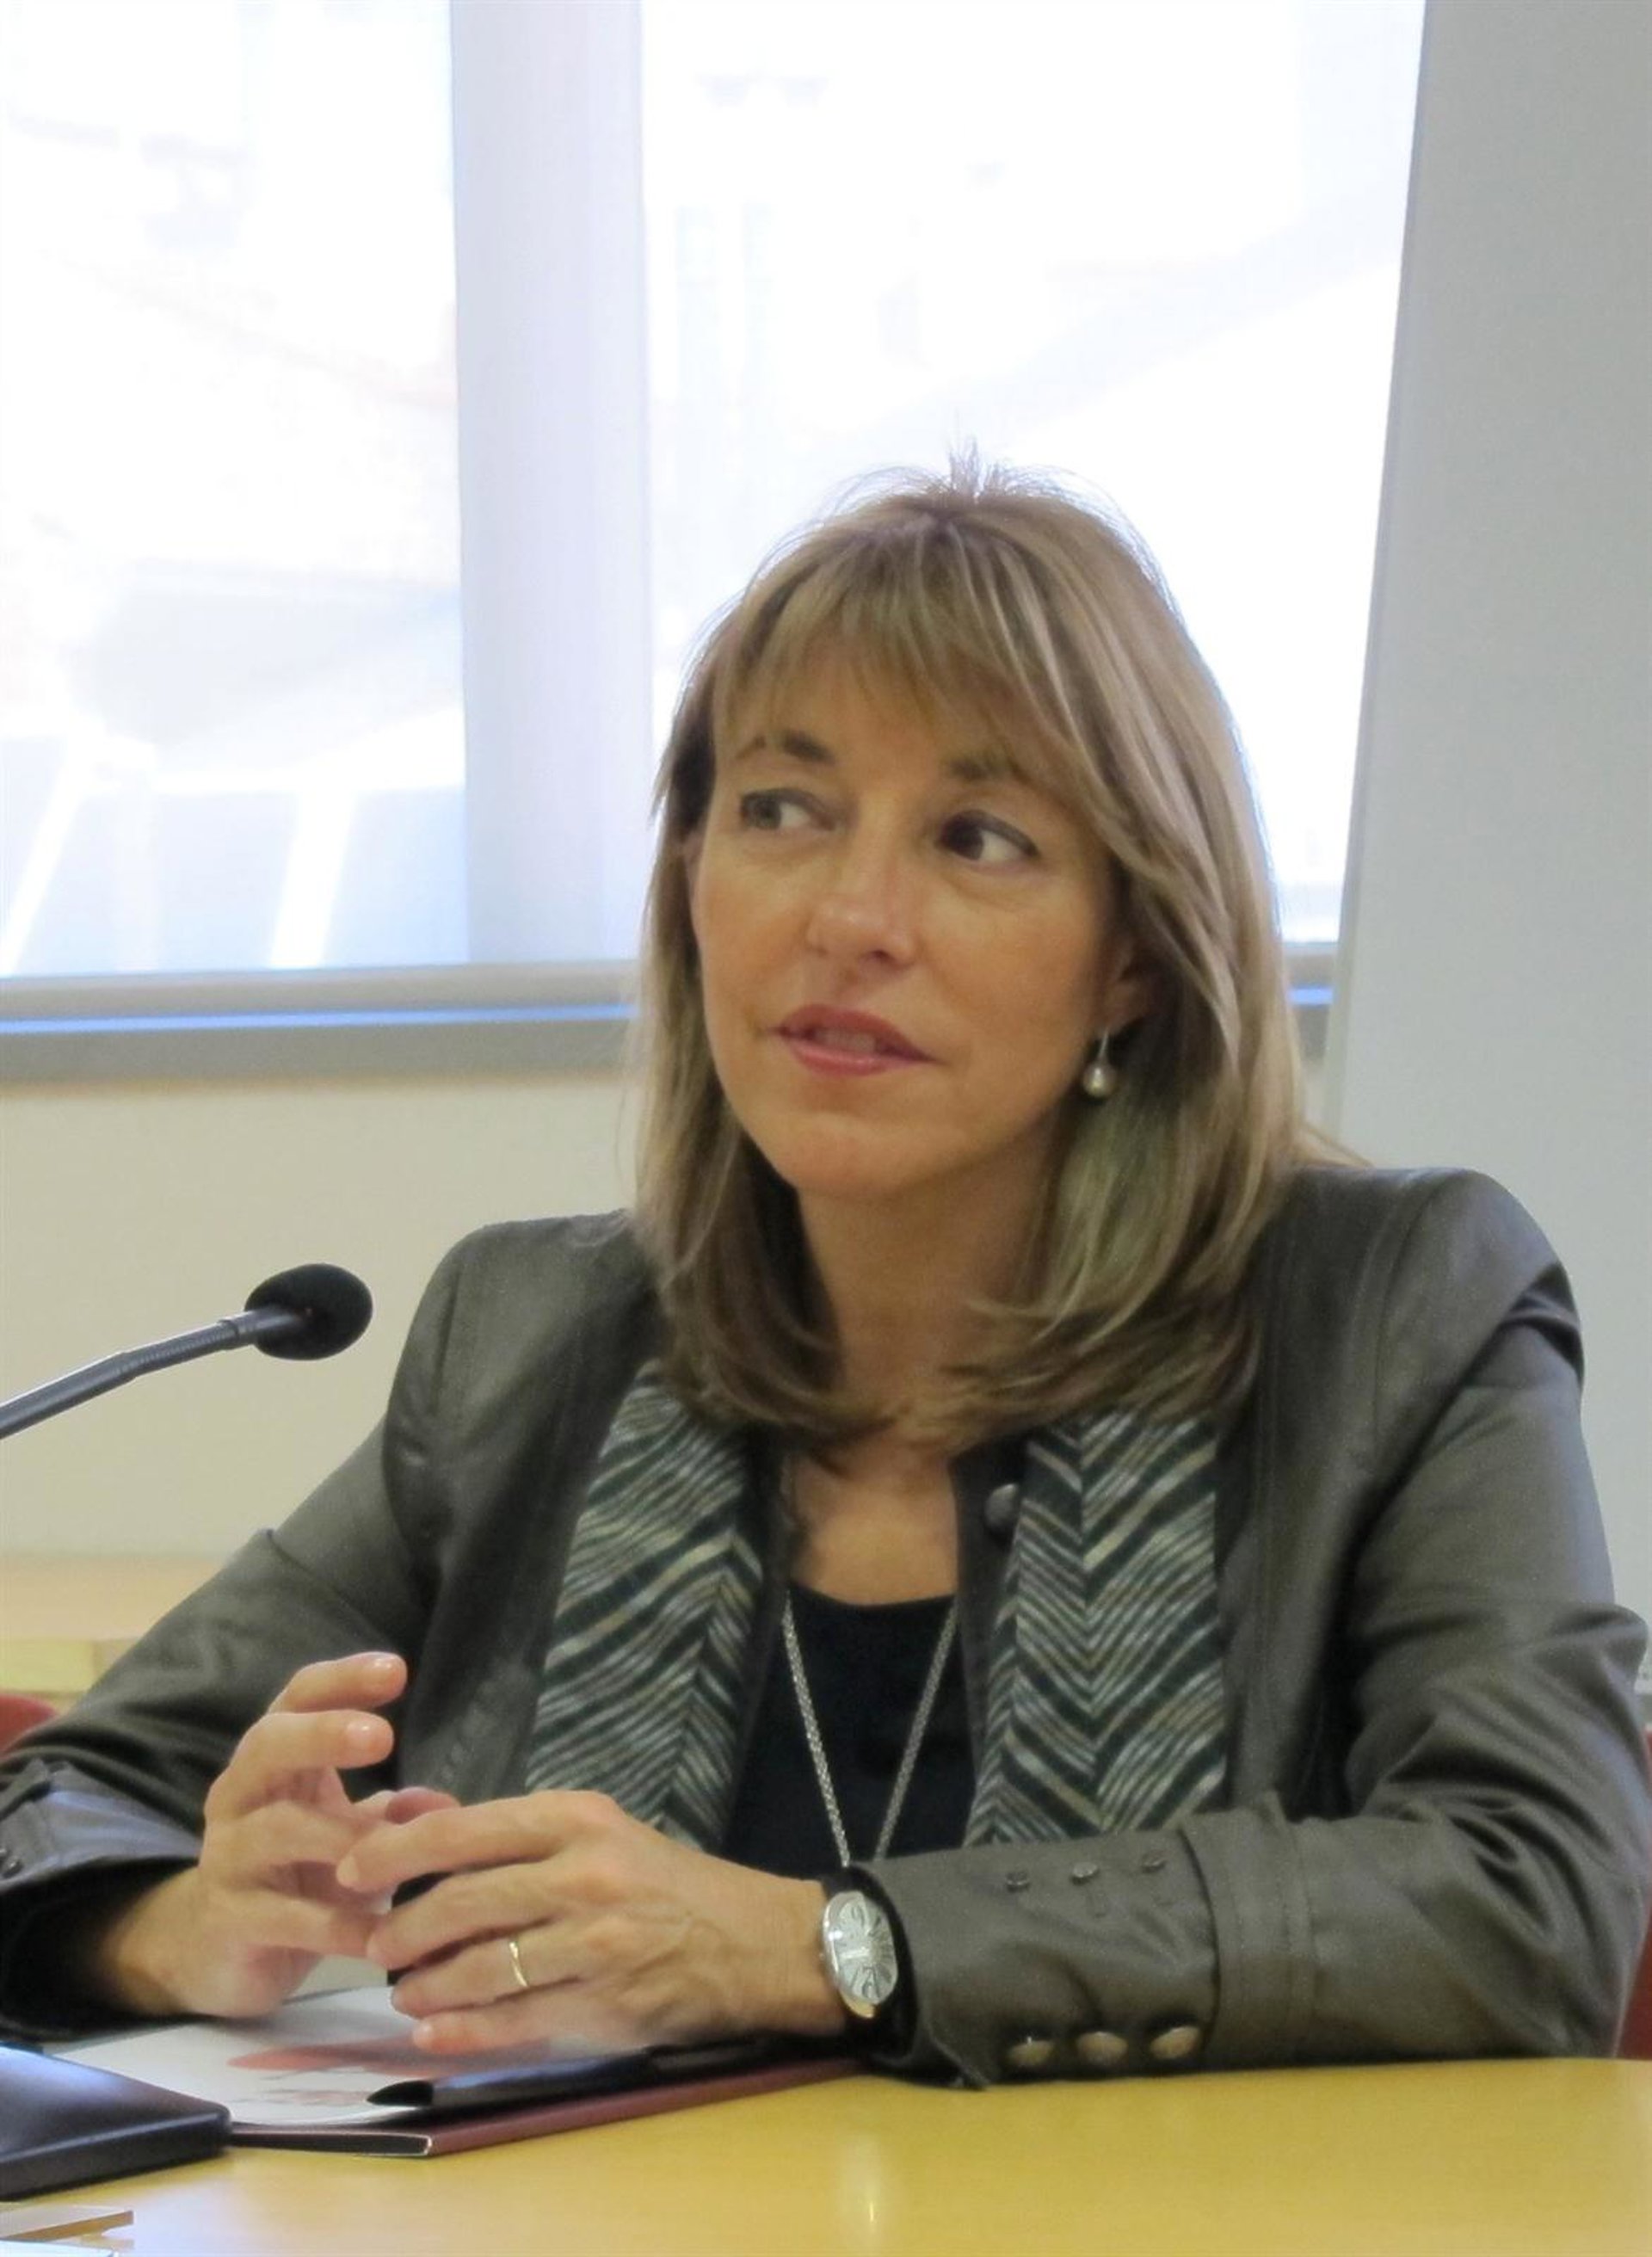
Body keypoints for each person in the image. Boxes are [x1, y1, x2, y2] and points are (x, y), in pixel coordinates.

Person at [1, 463, 1647, 2083]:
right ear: (691, 882)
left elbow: (1531, 1897)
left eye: (979, 837)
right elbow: (59, 1800)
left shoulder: (1396, 1311)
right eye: (782, 811)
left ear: (1138, 956)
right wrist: (183, 1926)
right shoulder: (535, 1337)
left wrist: (821, 1947)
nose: (852, 917)